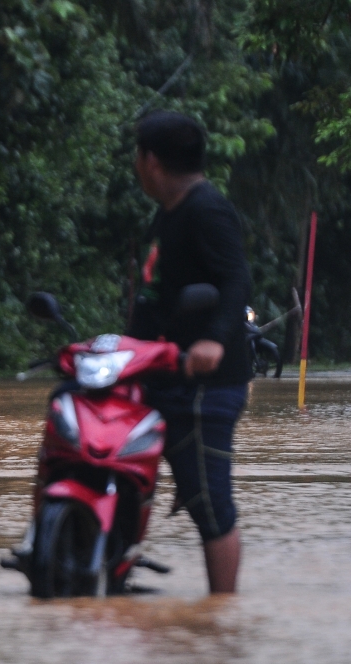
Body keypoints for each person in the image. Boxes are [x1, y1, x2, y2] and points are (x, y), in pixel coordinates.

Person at [128, 111, 252, 593]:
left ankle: (221, 616)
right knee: (119, 463)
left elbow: (236, 279)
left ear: (151, 161)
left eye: (137, 157)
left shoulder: (207, 209)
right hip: (161, 372)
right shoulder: (168, 212)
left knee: (208, 501)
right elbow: (154, 297)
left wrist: (215, 340)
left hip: (205, 382)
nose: (136, 167)